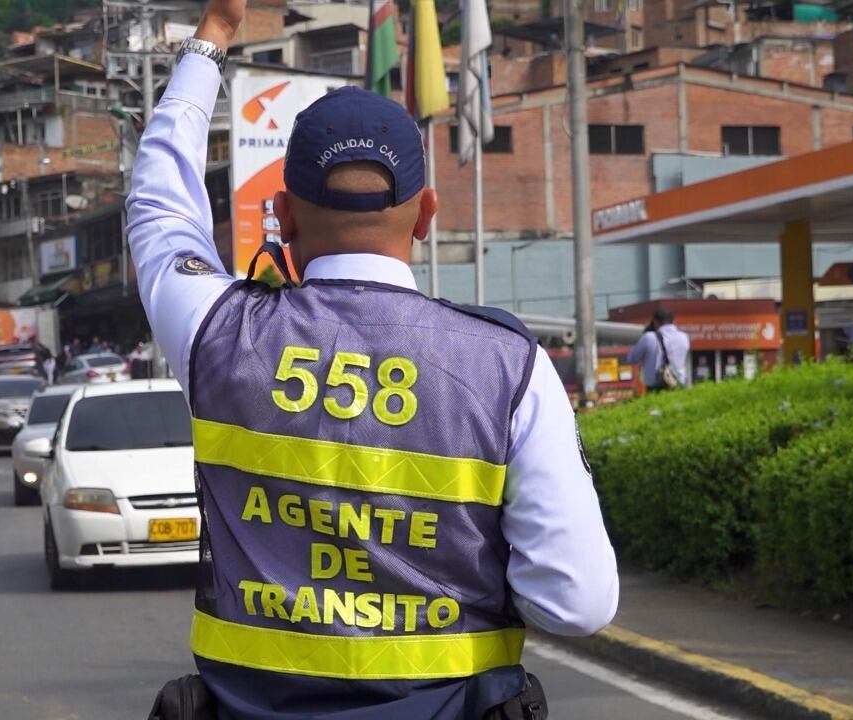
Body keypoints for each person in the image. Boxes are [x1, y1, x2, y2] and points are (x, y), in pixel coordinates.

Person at [128, 3, 619, 717]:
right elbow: (576, 602)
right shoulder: (510, 367)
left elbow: (158, 208)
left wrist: (213, 37)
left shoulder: (219, 333)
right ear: (426, 214)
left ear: (284, 216)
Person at [626, 308, 691, 391]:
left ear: (655, 321)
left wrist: (647, 332)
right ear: (674, 320)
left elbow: (631, 359)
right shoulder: (684, 337)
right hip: (679, 385)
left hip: (657, 388)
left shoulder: (649, 337)